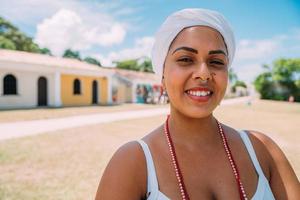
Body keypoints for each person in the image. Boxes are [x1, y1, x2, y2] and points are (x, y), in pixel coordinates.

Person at [95, 8, 300, 200]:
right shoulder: (133, 163)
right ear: (162, 75)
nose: (203, 74)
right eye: (185, 59)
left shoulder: (262, 150)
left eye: (217, 62)